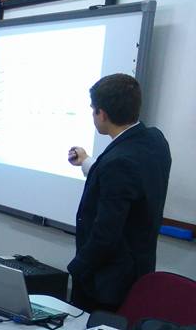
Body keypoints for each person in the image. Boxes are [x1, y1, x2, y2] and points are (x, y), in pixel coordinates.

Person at [67, 73, 172, 312]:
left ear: (102, 114)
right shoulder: (155, 141)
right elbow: (125, 183)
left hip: (108, 283)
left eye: (93, 110)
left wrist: (77, 267)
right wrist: (87, 162)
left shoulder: (118, 163)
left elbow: (106, 233)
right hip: (139, 273)